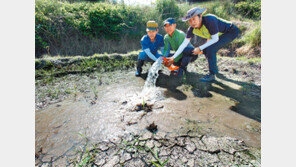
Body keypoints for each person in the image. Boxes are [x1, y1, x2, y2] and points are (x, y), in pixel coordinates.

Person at [178, 7, 239, 82]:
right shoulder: (191, 29)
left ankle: (212, 74)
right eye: (190, 20)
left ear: (200, 16)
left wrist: (200, 48)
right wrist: (173, 57)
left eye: (194, 19)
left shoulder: (210, 20)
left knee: (211, 49)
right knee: (207, 49)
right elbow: (184, 44)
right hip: (217, 35)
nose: (192, 22)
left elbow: (215, 39)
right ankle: (214, 70)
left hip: (230, 31)